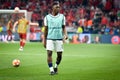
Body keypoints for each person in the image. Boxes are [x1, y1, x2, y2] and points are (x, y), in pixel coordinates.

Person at [43, 1, 68, 75]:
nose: (58, 8)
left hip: (59, 39)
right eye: (56, 7)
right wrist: (44, 40)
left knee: (59, 55)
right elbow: (46, 29)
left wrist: (65, 34)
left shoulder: (62, 17)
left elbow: (63, 27)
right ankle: (51, 70)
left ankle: (56, 66)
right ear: (52, 8)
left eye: (59, 7)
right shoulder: (47, 17)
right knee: (49, 53)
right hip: (50, 38)